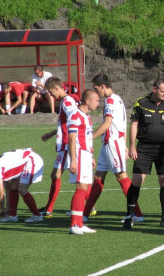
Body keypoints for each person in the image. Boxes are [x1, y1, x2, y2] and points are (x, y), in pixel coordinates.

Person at [82, 73, 144, 222]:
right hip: (109, 143)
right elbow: (122, 123)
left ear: (103, 86)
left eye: (97, 89)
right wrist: (125, 146)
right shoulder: (117, 99)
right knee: (98, 177)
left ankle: (137, 214)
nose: (97, 93)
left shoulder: (110, 101)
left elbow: (107, 124)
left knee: (121, 176)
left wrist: (90, 137)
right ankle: (84, 214)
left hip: (112, 142)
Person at [123, 78, 164, 229]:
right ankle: (129, 215)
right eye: (162, 91)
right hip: (144, 148)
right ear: (154, 89)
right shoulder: (141, 103)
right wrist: (132, 146)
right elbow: (134, 125)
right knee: (136, 180)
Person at [38, 77, 79, 217]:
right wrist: (51, 134)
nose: (50, 95)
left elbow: (76, 120)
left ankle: (49, 209)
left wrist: (73, 140)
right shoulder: (66, 101)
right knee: (70, 177)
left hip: (67, 144)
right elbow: (67, 123)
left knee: (66, 176)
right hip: (66, 144)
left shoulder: (67, 102)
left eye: (50, 91)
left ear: (56, 88)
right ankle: (49, 208)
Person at [0, 148, 44, 223]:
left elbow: (0, 193)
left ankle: (37, 215)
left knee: (22, 189)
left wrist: (2, 210)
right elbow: (7, 188)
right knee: (13, 188)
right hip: (25, 162)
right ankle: (13, 216)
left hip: (31, 161)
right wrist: (7, 208)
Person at [67, 89, 99, 234]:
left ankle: (79, 223)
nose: (98, 103)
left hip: (85, 155)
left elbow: (86, 137)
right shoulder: (75, 115)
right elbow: (72, 138)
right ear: (87, 101)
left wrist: (91, 155)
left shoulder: (86, 117)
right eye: (96, 100)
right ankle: (74, 224)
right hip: (78, 155)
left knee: (84, 188)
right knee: (81, 188)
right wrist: (73, 160)